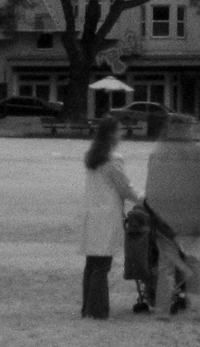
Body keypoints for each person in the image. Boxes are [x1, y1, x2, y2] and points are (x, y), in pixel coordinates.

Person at [140, 116, 200, 312]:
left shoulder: (157, 154)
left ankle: (164, 307)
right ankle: (196, 307)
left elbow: (152, 188)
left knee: (166, 263)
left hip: (165, 218)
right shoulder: (199, 153)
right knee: (194, 262)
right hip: (194, 218)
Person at [80, 115, 140, 319]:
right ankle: (97, 310)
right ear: (111, 133)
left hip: (92, 212)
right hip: (106, 214)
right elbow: (125, 188)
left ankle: (87, 308)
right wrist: (143, 200)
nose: (122, 133)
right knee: (102, 265)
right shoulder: (113, 158)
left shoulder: (93, 156)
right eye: (120, 130)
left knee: (92, 263)